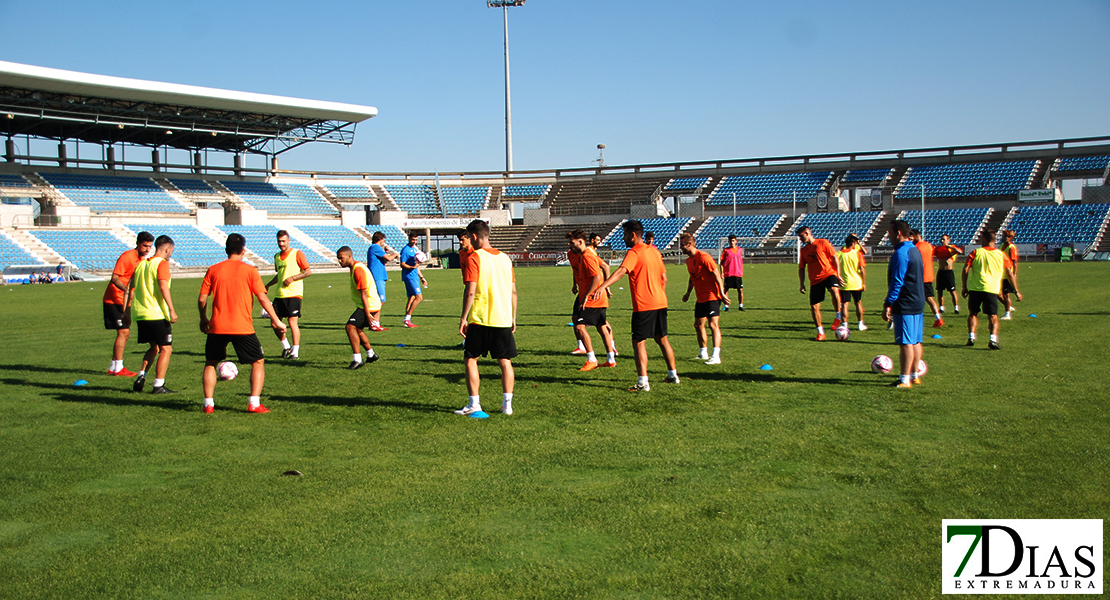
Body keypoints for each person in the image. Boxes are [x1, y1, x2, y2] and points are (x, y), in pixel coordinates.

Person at [198, 233, 286, 414]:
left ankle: (208, 404)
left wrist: (203, 318)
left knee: (210, 363)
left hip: (217, 326)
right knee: (258, 362)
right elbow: (262, 297)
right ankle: (254, 403)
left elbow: (201, 299)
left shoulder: (213, 269)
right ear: (243, 250)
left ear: (226, 250)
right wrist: (276, 320)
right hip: (242, 327)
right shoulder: (250, 271)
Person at [593, 219, 678, 392]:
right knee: (662, 339)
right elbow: (664, 278)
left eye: (625, 234)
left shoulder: (634, 252)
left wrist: (603, 286)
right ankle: (673, 375)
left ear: (633, 235)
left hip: (644, 304)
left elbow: (621, 271)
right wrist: (658, 294)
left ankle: (642, 382)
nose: (623, 238)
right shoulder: (654, 252)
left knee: (639, 342)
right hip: (660, 302)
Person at [455, 219, 518, 416]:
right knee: (505, 361)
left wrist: (463, 317)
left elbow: (471, 291)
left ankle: (475, 404)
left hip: (481, 318)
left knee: (471, 360)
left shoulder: (475, 257)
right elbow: (513, 292)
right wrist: (513, 317)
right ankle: (507, 405)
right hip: (503, 318)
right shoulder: (505, 258)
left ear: (474, 236)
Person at [126, 235, 177, 394]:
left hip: (141, 314)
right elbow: (163, 286)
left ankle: (142, 375)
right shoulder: (162, 264)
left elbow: (131, 288)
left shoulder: (141, 265)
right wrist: (172, 309)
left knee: (154, 347)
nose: (171, 254)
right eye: (171, 251)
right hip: (156, 313)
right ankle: (158, 385)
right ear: (167, 249)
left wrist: (127, 310)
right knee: (166, 349)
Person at [881, 220, 925, 389]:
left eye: (890, 233)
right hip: (917, 300)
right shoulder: (914, 250)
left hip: (905, 301)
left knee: (905, 342)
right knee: (915, 341)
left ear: (898, 233)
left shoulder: (901, 253)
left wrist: (888, 303)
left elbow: (897, 281)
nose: (888, 236)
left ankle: (904, 379)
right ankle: (914, 376)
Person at [103, 231, 153, 377]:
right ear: (137, 243)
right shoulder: (127, 256)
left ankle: (114, 367)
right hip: (114, 299)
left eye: (149, 246)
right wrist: (126, 290)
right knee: (123, 332)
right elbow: (114, 278)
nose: (147, 249)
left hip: (125, 301)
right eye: (144, 246)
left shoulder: (141, 259)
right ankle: (118, 368)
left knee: (125, 332)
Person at [962, 230, 1022, 350]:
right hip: (991, 289)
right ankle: (992, 340)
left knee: (973, 314)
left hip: (975, 288)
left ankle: (971, 337)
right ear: (994, 240)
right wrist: (1016, 291)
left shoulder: (975, 252)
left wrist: (964, 287)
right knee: (993, 315)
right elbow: (1010, 273)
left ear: (984, 239)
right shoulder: (1001, 255)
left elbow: (965, 269)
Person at [567, 229, 616, 371]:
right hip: (600, 298)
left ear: (580, 242)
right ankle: (611, 359)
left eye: (572, 243)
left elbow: (597, 277)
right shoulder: (589, 254)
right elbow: (603, 267)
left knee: (579, 327)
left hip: (593, 299)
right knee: (601, 327)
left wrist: (587, 295)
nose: (570, 245)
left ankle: (591, 359)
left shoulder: (587, 256)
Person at [680, 234, 729, 364]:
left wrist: (722, 293)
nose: (680, 247)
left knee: (713, 325)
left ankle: (716, 356)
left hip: (712, 296)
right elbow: (692, 277)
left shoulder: (704, 257)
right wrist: (688, 293)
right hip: (700, 297)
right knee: (698, 325)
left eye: (682, 244)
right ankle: (703, 353)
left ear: (689, 244)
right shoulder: (689, 261)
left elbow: (716, 274)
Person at [264, 230, 312, 359]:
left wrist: (293, 278)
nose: (281, 244)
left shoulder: (297, 253)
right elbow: (279, 275)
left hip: (293, 294)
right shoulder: (277, 257)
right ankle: (286, 346)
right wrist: (268, 285)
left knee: (292, 323)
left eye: (283, 241)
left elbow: (307, 271)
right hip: (280, 294)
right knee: (274, 323)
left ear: (289, 240)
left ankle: (295, 352)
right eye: (279, 241)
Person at [338, 246, 381, 369]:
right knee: (358, 330)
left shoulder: (358, 270)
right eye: (338, 259)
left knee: (350, 327)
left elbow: (364, 293)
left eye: (341, 258)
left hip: (369, 305)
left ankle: (357, 359)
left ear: (349, 256)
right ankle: (371, 354)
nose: (339, 261)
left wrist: (367, 314)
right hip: (369, 304)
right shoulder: (355, 268)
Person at [797, 226, 843, 341]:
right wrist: (801, 284)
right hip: (815, 280)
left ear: (807, 233)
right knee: (814, 307)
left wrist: (838, 274)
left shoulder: (823, 242)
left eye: (801, 236)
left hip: (828, 274)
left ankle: (838, 316)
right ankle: (820, 332)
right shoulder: (803, 251)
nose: (800, 239)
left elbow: (835, 257)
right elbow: (801, 268)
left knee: (834, 290)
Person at [588, 232, 618, 354]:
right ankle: (611, 349)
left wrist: (606, 286)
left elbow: (605, 266)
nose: (599, 242)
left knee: (600, 323)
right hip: (594, 291)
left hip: (595, 292)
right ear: (591, 240)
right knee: (600, 323)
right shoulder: (590, 252)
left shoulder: (590, 253)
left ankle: (591, 355)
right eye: (597, 240)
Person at [911, 229, 944, 328]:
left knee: (915, 298)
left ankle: (914, 319)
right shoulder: (929, 246)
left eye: (911, 237)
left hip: (919, 276)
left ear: (916, 236)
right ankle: (937, 318)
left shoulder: (916, 247)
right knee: (929, 298)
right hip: (928, 276)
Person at [366, 231, 398, 331]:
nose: (384, 241)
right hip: (377, 276)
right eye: (383, 239)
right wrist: (395, 254)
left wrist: (387, 252)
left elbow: (384, 261)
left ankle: (376, 323)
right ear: (380, 239)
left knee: (379, 301)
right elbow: (388, 259)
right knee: (380, 300)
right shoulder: (375, 247)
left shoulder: (377, 249)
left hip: (381, 276)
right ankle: (371, 322)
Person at [836, 234, 868, 331]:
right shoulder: (857, 254)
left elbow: (834, 269)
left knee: (844, 304)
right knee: (858, 303)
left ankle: (845, 325)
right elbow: (862, 269)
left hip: (844, 284)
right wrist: (863, 282)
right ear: (853, 244)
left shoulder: (838, 254)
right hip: (856, 283)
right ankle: (860, 324)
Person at [399, 232, 429, 327]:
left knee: (411, 298)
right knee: (419, 297)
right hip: (410, 277)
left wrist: (422, 277)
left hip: (414, 276)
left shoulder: (414, 249)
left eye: (416, 240)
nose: (414, 241)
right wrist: (412, 267)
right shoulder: (405, 250)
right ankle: (407, 318)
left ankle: (407, 321)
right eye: (413, 239)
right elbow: (402, 264)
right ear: (409, 238)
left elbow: (417, 266)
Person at [933, 234, 962, 315]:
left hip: (949, 272)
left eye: (944, 239)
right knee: (939, 291)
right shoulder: (938, 249)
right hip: (941, 272)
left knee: (952, 291)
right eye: (941, 239)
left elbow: (960, 251)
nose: (942, 241)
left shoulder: (951, 249)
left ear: (948, 240)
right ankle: (941, 308)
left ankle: (956, 308)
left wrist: (949, 247)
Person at [719, 235, 745, 311]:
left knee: (740, 289)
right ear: (728, 241)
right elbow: (722, 262)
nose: (732, 242)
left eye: (733, 240)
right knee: (726, 289)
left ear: (736, 241)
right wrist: (722, 272)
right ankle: (726, 306)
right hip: (728, 273)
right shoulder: (726, 250)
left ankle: (740, 305)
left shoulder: (740, 250)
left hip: (737, 273)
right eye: (730, 241)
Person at [999, 230, 1021, 320]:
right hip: (1001, 273)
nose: (1002, 238)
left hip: (1007, 274)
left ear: (1010, 237)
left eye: (1005, 236)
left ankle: (1007, 314)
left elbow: (1014, 262)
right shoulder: (1001, 246)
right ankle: (1009, 307)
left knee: (1006, 294)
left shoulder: (1011, 247)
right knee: (996, 293)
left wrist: (1014, 274)